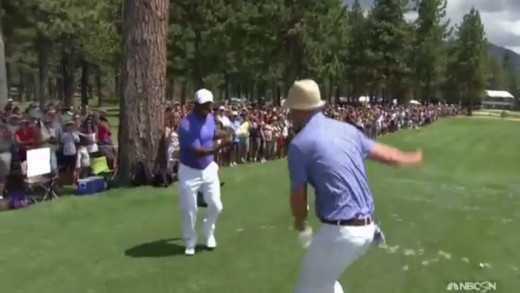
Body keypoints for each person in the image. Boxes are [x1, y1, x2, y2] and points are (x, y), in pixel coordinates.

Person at [285, 80, 423, 293]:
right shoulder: (347, 130)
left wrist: (300, 222)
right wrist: (410, 158)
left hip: (341, 232)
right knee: (325, 283)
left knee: (306, 289)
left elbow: (298, 197)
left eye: (291, 110)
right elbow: (386, 155)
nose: (289, 115)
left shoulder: (299, 145)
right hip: (367, 230)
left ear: (300, 110)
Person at [177, 89, 233, 256]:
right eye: (205, 107)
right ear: (196, 105)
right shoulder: (186, 125)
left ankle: (208, 231)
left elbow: (212, 133)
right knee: (189, 209)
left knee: (216, 204)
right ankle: (190, 241)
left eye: (211, 107)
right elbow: (199, 151)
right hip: (189, 171)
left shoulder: (209, 118)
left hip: (208, 169)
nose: (209, 111)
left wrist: (228, 134)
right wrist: (222, 145)